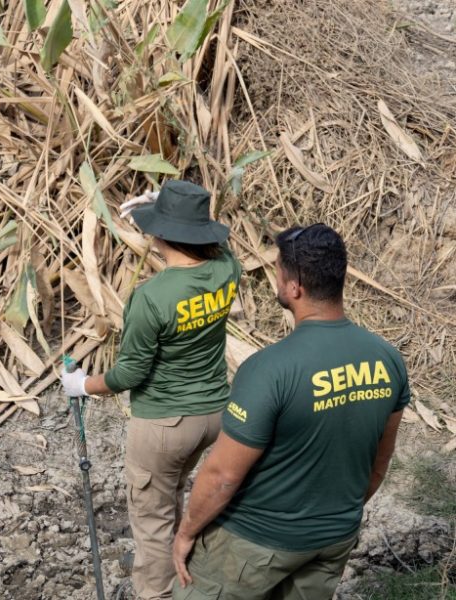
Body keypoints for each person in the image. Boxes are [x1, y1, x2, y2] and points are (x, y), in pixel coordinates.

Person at [171, 224, 409, 600]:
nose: (276, 279)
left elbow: (222, 477)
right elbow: (379, 462)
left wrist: (186, 533)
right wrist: (328, 519)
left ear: (294, 287)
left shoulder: (269, 370)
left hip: (256, 541)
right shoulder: (387, 359)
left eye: (278, 270)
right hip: (334, 539)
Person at [60, 180, 242, 600]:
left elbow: (129, 375)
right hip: (214, 414)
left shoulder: (152, 297)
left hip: (164, 423)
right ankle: (182, 570)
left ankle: (157, 592)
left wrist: (82, 385)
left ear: (160, 234)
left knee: (152, 516)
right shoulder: (225, 270)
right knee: (176, 489)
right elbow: (222, 244)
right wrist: (166, 207)